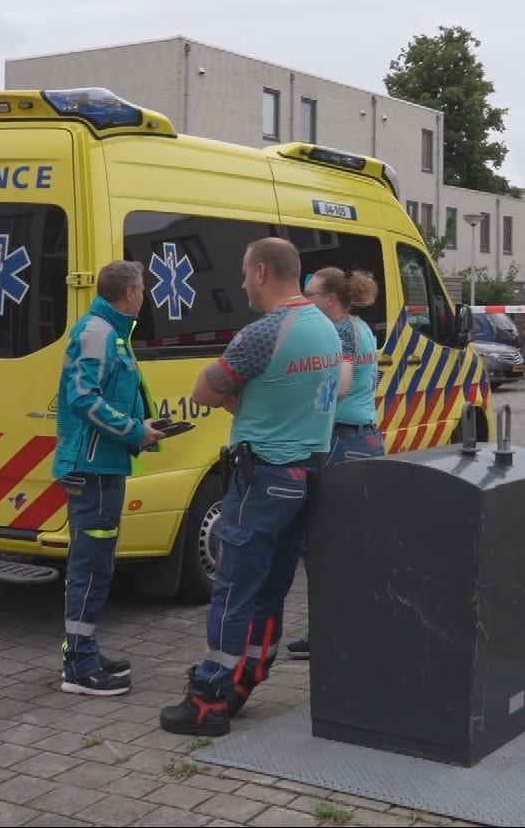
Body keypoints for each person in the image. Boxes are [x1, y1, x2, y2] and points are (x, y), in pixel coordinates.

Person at [160, 238, 345, 737]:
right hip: (306, 477)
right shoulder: (325, 328)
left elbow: (204, 392)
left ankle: (208, 699)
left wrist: (241, 397)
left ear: (262, 272)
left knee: (233, 589)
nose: (242, 283)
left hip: (262, 477)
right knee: (270, 589)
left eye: (244, 273)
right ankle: (245, 679)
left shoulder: (263, 333)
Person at [51, 261, 165, 696]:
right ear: (131, 293)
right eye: (143, 289)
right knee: (90, 567)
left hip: (102, 466)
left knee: (97, 566)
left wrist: (142, 427)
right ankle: (79, 667)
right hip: (93, 470)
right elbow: (83, 398)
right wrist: (135, 431)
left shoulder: (109, 330)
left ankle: (84, 651)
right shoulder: (99, 332)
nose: (145, 296)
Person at [286, 265, 384, 661]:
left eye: (309, 294)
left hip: (342, 440)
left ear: (329, 299)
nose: (304, 300)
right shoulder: (361, 327)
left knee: (321, 542)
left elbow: (340, 386)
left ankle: (328, 629)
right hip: (363, 438)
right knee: (346, 542)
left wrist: (301, 403)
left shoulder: (340, 330)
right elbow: (370, 380)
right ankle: (349, 624)